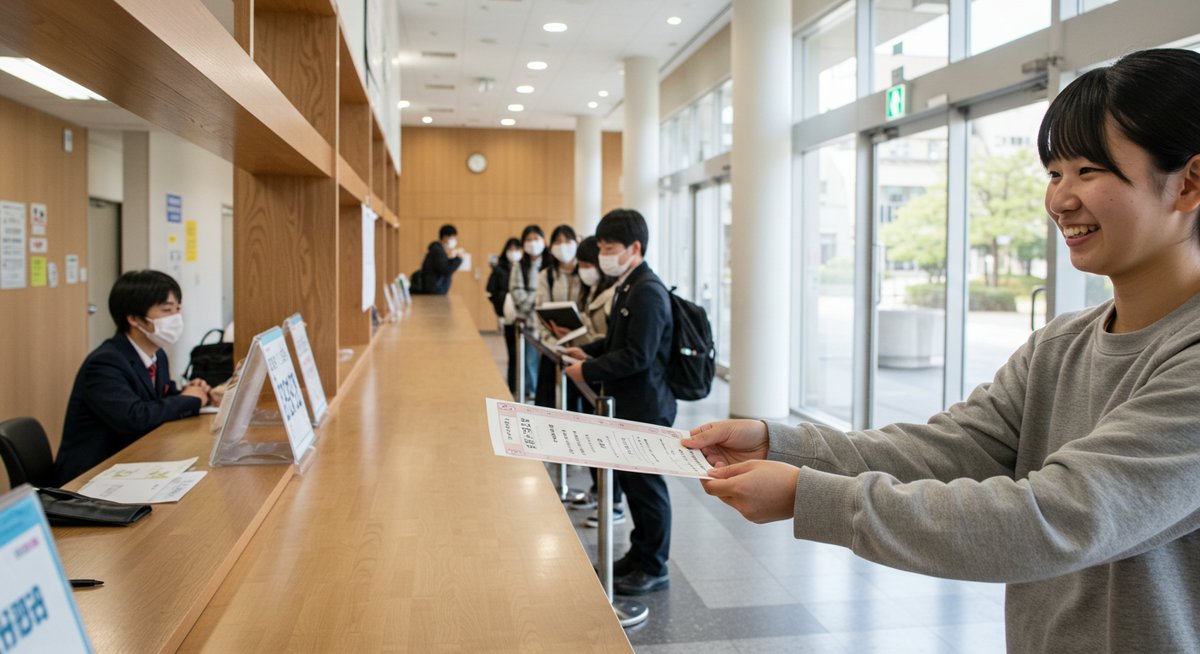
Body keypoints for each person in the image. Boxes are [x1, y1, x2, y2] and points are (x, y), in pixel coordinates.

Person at [683, 48, 1200, 653]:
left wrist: (808, 495)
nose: (1060, 199)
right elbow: (950, 448)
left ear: (1189, 182)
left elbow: (1054, 518)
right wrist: (782, 442)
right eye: (1054, 173)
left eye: (1088, 170)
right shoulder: (1061, 345)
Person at [564, 209, 676, 595]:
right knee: (632, 482)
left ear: (635, 247)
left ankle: (654, 565)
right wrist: (587, 353)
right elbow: (617, 344)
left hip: (647, 405)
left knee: (647, 489)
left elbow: (639, 356)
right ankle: (639, 554)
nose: (604, 255)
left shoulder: (648, 290)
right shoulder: (628, 285)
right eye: (602, 248)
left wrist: (590, 371)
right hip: (629, 402)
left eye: (610, 248)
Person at [55, 270, 212, 484]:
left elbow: (157, 398)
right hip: (91, 477)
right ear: (135, 319)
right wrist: (190, 399)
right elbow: (134, 418)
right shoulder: (105, 362)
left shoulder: (157, 354)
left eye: (178, 309)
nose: (176, 318)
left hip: (135, 465)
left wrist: (192, 391)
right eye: (166, 310)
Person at [562, 236, 626, 524]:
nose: (589, 268)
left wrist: (587, 360)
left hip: (603, 374)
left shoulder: (619, 292)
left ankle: (612, 503)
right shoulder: (590, 290)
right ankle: (599, 492)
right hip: (591, 368)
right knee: (592, 438)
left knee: (607, 445)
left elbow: (616, 344)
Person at [533, 224, 583, 409]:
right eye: (557, 241)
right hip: (553, 346)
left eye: (567, 241)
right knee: (548, 401)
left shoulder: (586, 273)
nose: (563, 246)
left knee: (578, 404)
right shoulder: (547, 276)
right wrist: (552, 341)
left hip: (581, 346)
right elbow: (539, 311)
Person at [509, 224, 545, 400]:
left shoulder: (549, 264)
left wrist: (536, 299)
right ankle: (531, 395)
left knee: (546, 364)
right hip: (529, 324)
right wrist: (538, 298)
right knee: (529, 361)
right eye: (529, 239)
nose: (533, 243)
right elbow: (517, 295)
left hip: (548, 324)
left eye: (536, 238)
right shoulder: (519, 266)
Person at [486, 237, 523, 394]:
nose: (513, 252)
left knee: (527, 356)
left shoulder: (524, 268)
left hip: (525, 317)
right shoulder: (499, 269)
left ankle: (527, 387)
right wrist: (502, 306)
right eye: (511, 249)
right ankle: (513, 387)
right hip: (508, 318)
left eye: (517, 249)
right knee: (513, 353)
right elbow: (490, 292)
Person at [416, 224, 464, 295]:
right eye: (452, 238)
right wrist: (458, 258)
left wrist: (455, 259)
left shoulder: (439, 250)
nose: (454, 241)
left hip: (436, 290)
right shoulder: (437, 251)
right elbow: (446, 269)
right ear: (445, 237)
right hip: (434, 291)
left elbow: (444, 265)